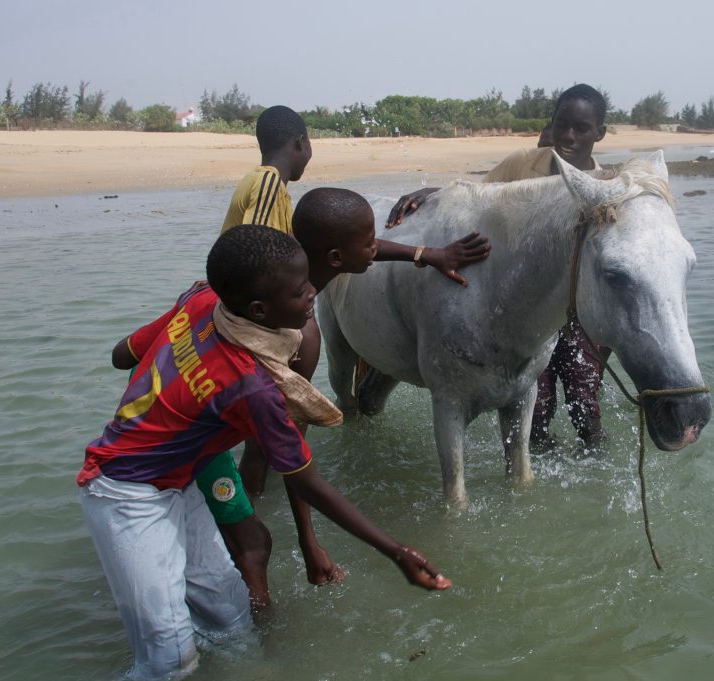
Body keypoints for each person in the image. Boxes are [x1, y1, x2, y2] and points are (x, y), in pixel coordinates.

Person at [83, 225, 451, 680]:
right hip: (125, 492)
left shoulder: (201, 302)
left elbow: (123, 355)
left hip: (178, 481)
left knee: (229, 614)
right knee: (167, 658)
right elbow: (306, 481)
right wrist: (395, 551)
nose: (313, 292)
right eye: (300, 292)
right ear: (260, 310)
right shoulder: (251, 385)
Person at [191, 105, 489, 605]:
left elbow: (349, 250)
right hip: (190, 454)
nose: (374, 247)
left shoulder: (282, 277)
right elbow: (298, 458)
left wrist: (427, 255)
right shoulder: (270, 200)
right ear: (301, 144)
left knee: (258, 460)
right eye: (369, 242)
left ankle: (248, 516)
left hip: (188, 439)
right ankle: (252, 554)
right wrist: (316, 544)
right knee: (254, 515)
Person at [385, 84, 609, 449]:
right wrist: (434, 195)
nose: (568, 136)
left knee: (584, 401)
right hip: (524, 313)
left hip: (575, 313)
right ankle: (539, 467)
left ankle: (596, 483)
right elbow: (480, 196)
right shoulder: (525, 163)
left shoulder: (603, 189)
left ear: (599, 133)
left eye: (581, 129)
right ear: (551, 123)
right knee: (537, 410)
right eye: (561, 124)